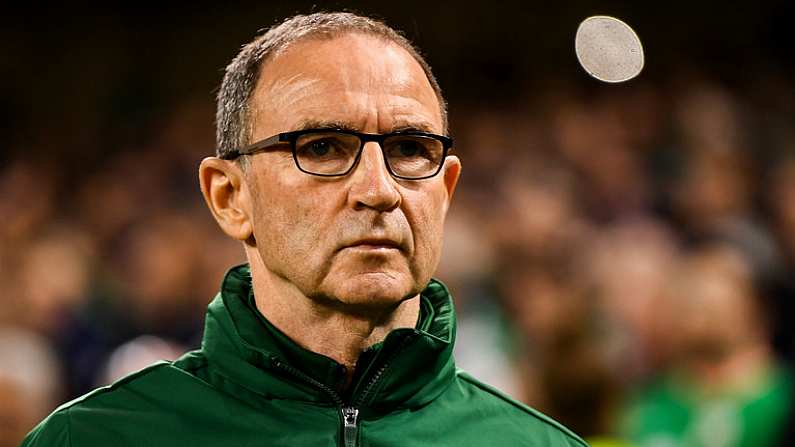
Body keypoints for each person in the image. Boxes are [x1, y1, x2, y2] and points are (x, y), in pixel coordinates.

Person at [23, 12, 586, 446]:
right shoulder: (94, 439)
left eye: (411, 149)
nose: (379, 188)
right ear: (230, 197)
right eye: (321, 147)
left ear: (447, 190)